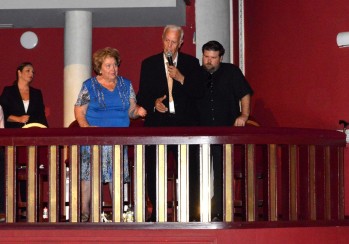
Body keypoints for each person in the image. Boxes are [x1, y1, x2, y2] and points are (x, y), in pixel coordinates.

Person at [136, 25, 201, 222]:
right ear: (162, 39)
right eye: (167, 41)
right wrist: (154, 105)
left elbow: (199, 94)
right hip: (158, 125)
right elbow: (142, 95)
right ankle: (156, 212)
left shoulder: (192, 63)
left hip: (185, 126)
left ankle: (191, 213)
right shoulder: (149, 63)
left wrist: (181, 78)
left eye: (174, 42)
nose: (170, 46)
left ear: (181, 43)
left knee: (189, 170)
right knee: (154, 170)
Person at [74, 47, 147, 222]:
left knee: (117, 176)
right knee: (89, 176)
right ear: (99, 68)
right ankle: (84, 215)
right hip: (94, 139)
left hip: (118, 139)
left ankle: (117, 215)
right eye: (108, 65)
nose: (113, 69)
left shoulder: (125, 84)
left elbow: (131, 111)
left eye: (115, 65)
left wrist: (138, 111)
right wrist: (86, 127)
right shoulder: (89, 85)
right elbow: (79, 110)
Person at [195, 40, 253, 221]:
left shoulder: (232, 72)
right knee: (198, 172)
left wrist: (244, 115)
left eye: (213, 57)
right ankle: (198, 211)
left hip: (225, 130)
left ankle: (219, 211)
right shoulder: (196, 74)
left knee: (221, 172)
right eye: (206, 57)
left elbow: (245, 93)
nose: (209, 61)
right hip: (199, 131)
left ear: (221, 57)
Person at [0, 62, 48, 128]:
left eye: (33, 72)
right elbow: (2, 112)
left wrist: (46, 131)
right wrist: (18, 119)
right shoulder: (9, 91)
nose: (31, 74)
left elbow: (41, 116)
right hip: (13, 133)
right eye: (28, 71)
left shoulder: (37, 93)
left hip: (32, 132)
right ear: (19, 73)